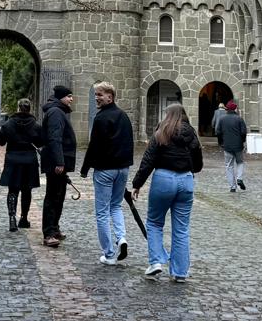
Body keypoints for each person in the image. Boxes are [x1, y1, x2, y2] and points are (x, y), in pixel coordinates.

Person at [129, 102, 202, 283]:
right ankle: (180, 272)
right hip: (186, 180)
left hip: (163, 178)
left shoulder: (160, 133)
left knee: (154, 222)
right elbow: (198, 164)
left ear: (167, 115)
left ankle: (155, 262)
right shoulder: (192, 135)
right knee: (181, 229)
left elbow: (148, 161)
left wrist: (137, 184)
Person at [79, 81, 134, 265]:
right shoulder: (124, 116)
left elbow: (94, 146)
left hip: (105, 170)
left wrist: (85, 169)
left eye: (100, 94)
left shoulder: (101, 118)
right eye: (96, 94)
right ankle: (121, 238)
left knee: (102, 212)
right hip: (122, 169)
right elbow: (129, 142)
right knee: (116, 206)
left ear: (110, 97)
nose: (96, 98)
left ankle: (109, 254)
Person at [0, 97, 42, 231]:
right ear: (30, 109)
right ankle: (24, 218)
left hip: (13, 160)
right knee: (27, 191)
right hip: (29, 161)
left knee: (13, 190)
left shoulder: (8, 124)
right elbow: (41, 142)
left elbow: (0, 141)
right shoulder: (36, 126)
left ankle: (12, 218)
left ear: (18, 108)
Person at [40, 84, 77, 247]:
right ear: (61, 97)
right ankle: (48, 233)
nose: (71, 99)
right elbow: (55, 138)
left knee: (59, 196)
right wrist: (59, 161)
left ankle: (54, 228)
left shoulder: (58, 111)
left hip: (59, 162)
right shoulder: (55, 112)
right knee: (53, 197)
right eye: (69, 96)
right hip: (55, 163)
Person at [217, 99, 248, 193]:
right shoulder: (239, 119)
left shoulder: (222, 119)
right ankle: (239, 178)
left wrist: (221, 143)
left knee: (229, 166)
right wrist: (242, 141)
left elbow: (218, 132)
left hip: (227, 145)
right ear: (235, 109)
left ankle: (232, 186)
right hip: (238, 145)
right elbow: (243, 132)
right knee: (240, 162)